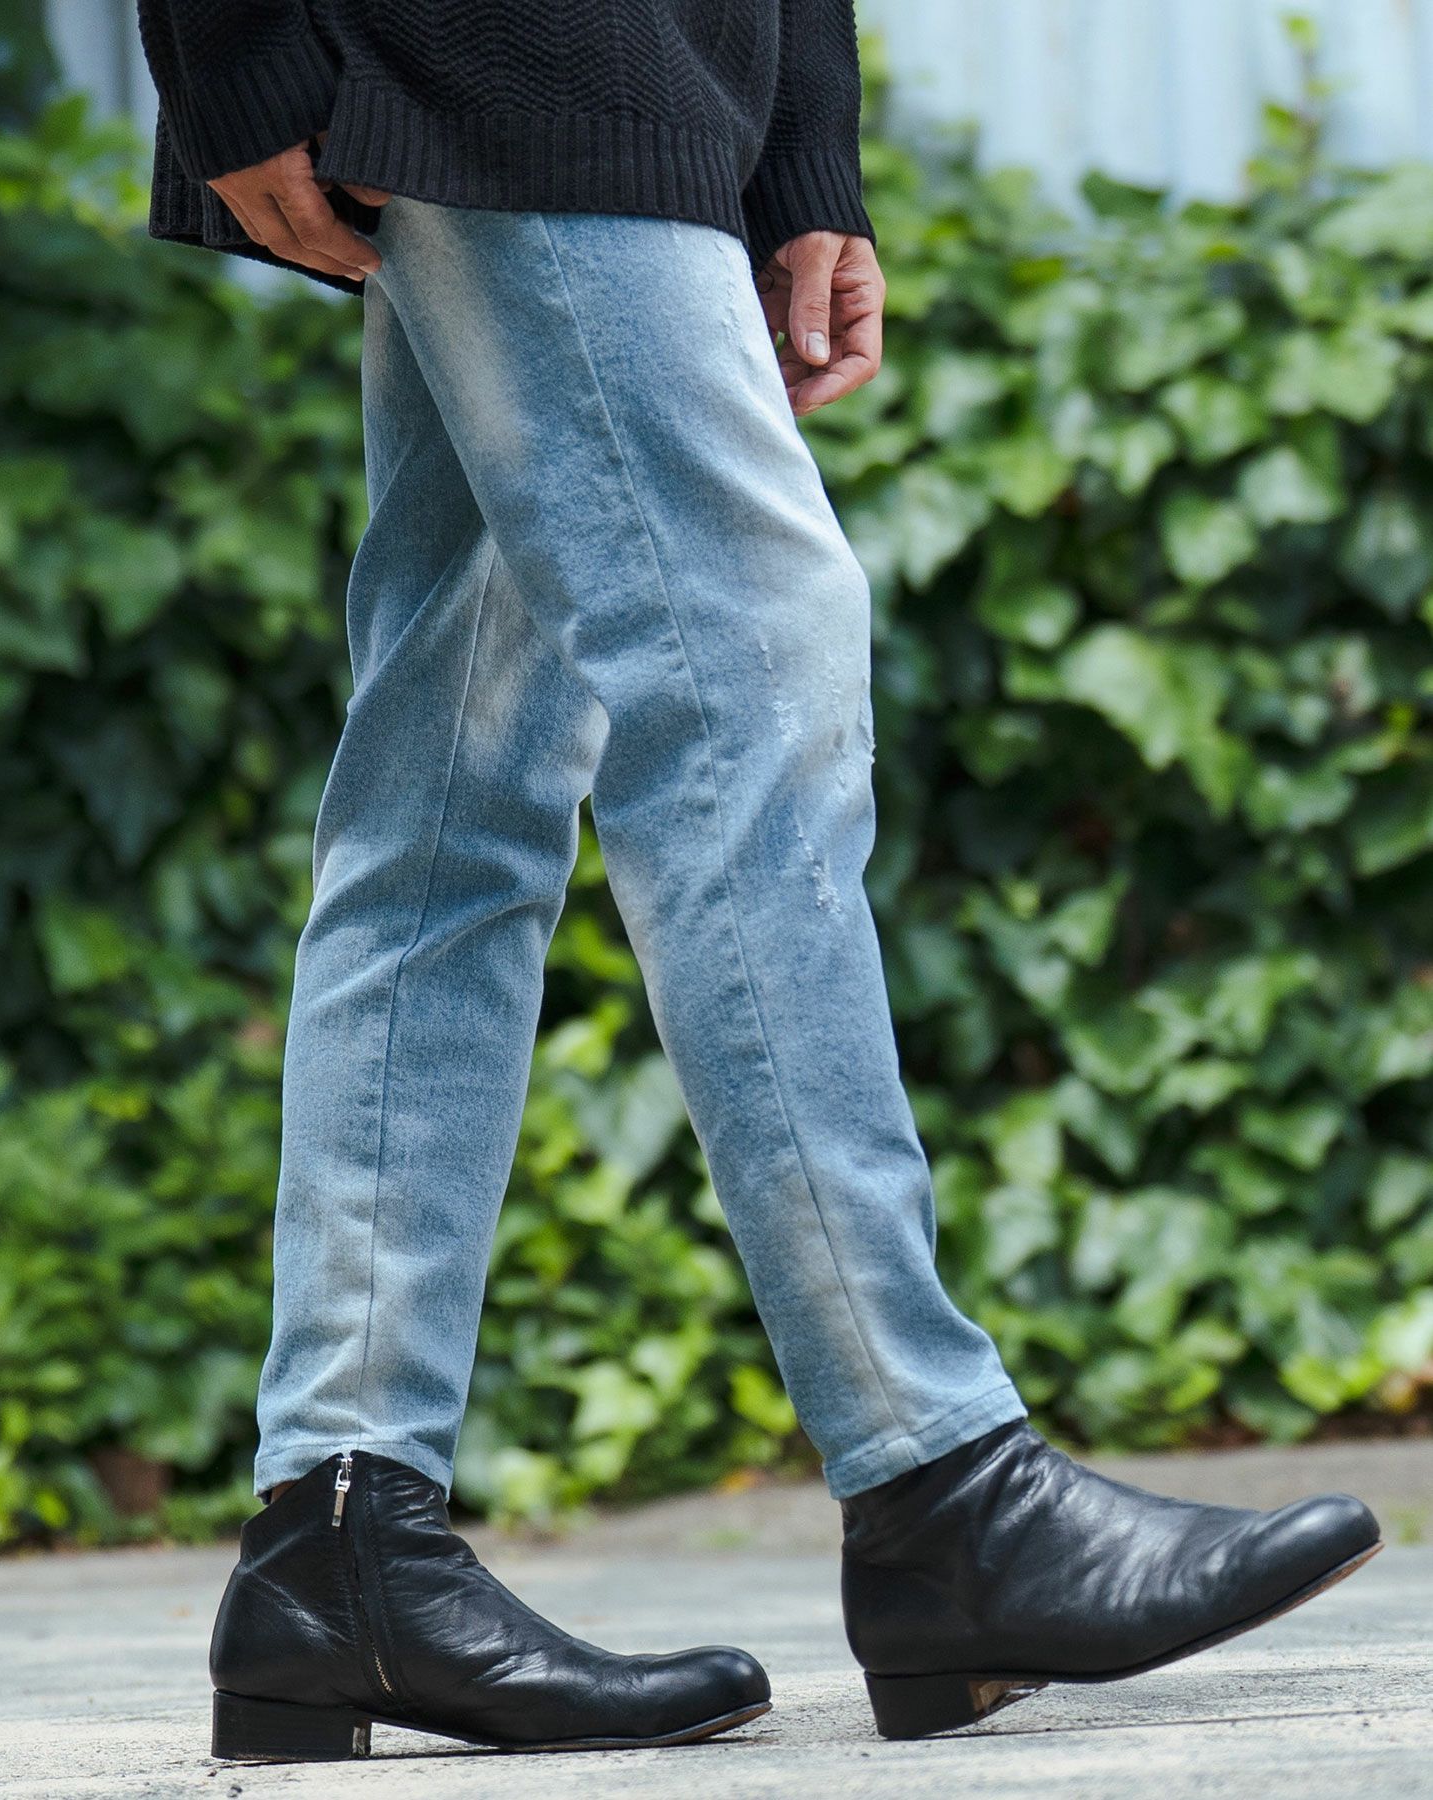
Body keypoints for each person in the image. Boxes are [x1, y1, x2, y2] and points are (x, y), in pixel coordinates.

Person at [136, 0, 1382, 1764]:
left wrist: (803, 145)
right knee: (744, 675)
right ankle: (939, 1480)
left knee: (455, 782)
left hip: (624, 70)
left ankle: (338, 1538)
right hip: (497, 52)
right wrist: (232, 38)